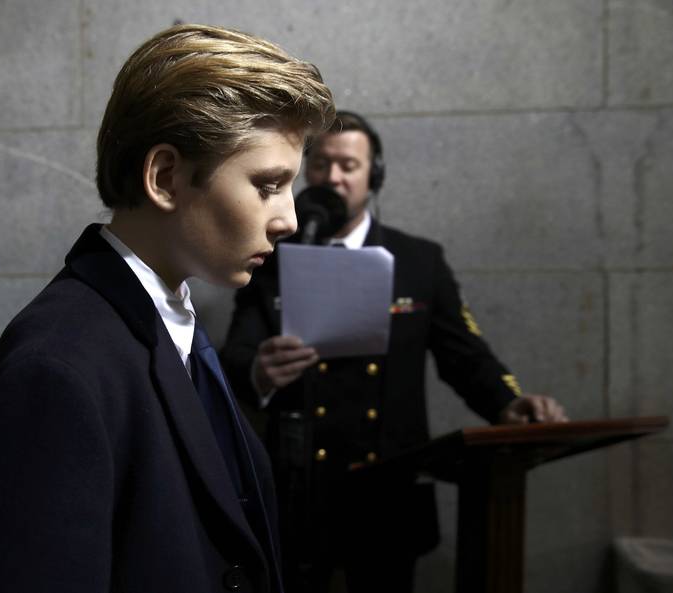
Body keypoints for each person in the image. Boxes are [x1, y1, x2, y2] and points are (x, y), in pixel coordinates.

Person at [0, 24, 335, 593]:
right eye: (268, 185)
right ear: (165, 177)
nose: (289, 219)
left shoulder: (169, 322)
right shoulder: (58, 368)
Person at [220, 110, 568, 593]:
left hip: (389, 491)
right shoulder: (271, 255)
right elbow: (234, 353)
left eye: (348, 165)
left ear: (374, 175)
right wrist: (259, 370)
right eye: (320, 164)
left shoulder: (419, 262)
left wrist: (508, 402)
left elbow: (465, 354)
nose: (333, 177)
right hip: (300, 491)